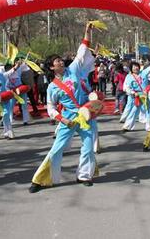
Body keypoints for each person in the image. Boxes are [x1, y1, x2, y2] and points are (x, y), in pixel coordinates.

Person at [29, 24, 97, 193]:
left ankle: (84, 176)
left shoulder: (73, 69)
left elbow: (82, 51)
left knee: (88, 147)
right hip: (68, 118)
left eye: (60, 59)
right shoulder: (52, 87)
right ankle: (41, 179)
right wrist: (62, 119)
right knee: (57, 148)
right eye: (57, 61)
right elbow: (50, 107)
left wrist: (87, 32)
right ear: (52, 67)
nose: (61, 61)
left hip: (86, 115)